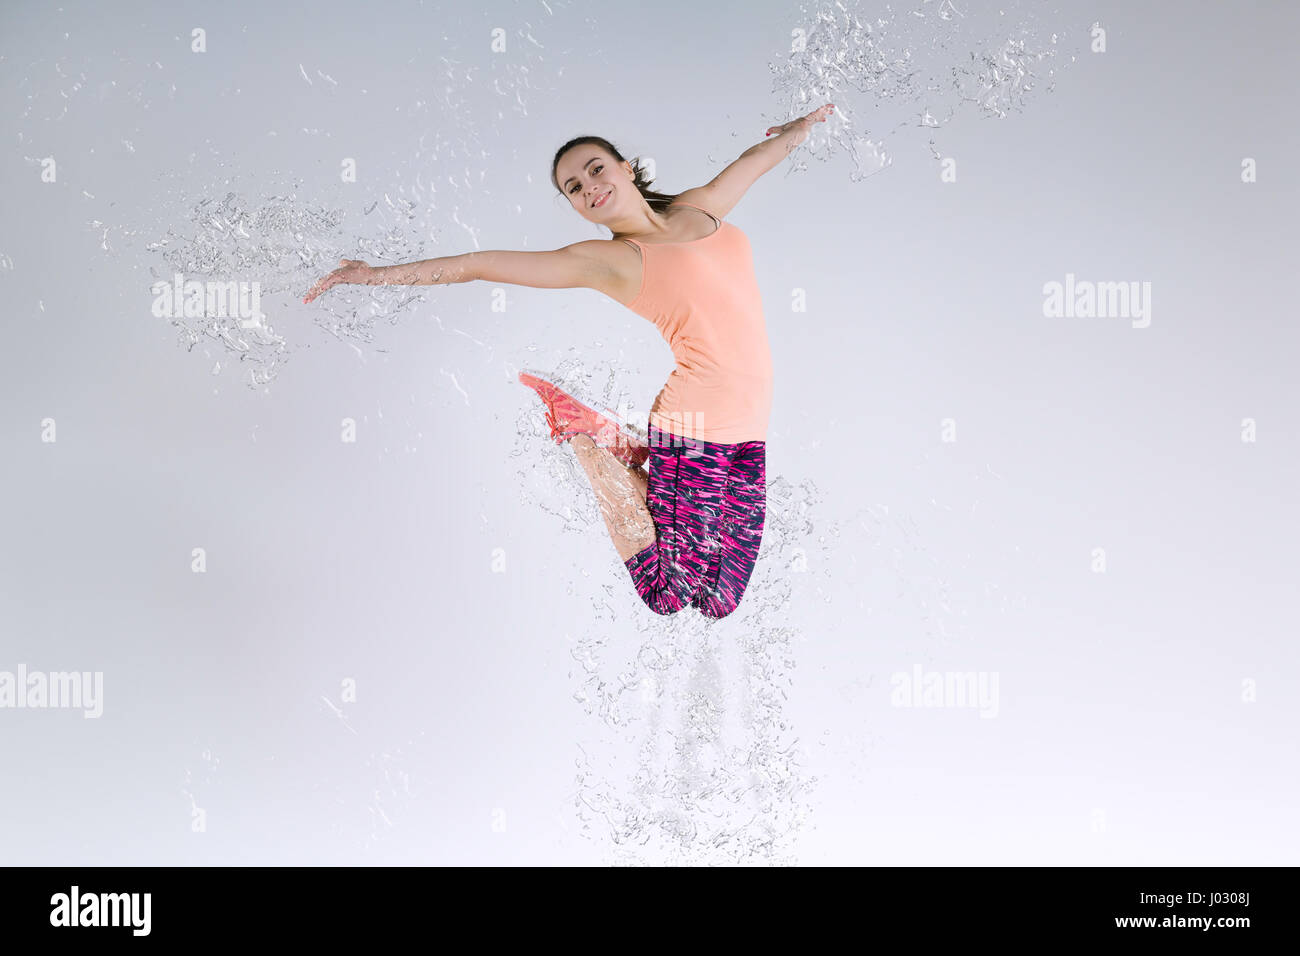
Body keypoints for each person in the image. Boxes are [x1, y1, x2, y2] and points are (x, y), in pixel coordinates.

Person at [305, 104, 835, 618]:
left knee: (721, 600)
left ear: (627, 170)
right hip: (695, 424)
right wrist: (372, 274)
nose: (589, 187)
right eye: (574, 188)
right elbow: (481, 265)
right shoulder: (609, 261)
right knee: (668, 592)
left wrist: (798, 129)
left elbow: (753, 162)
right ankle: (587, 438)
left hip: (750, 426)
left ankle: (625, 447)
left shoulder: (698, 209)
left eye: (595, 169)